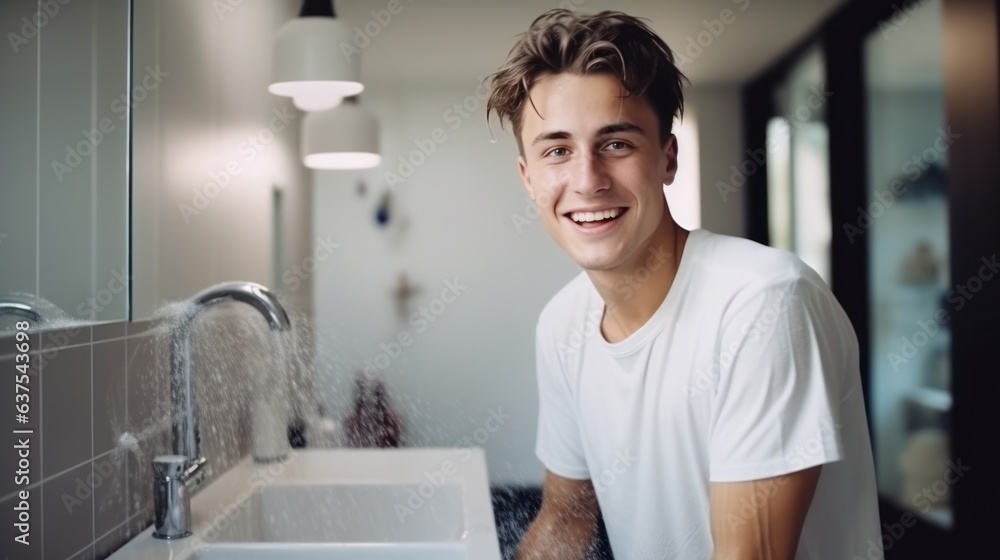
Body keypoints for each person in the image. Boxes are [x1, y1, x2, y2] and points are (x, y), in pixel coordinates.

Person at [486, 9, 881, 559]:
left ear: (667, 158)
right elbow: (564, 523)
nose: (587, 179)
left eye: (617, 143)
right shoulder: (561, 324)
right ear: (528, 178)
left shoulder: (761, 302)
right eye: (557, 150)